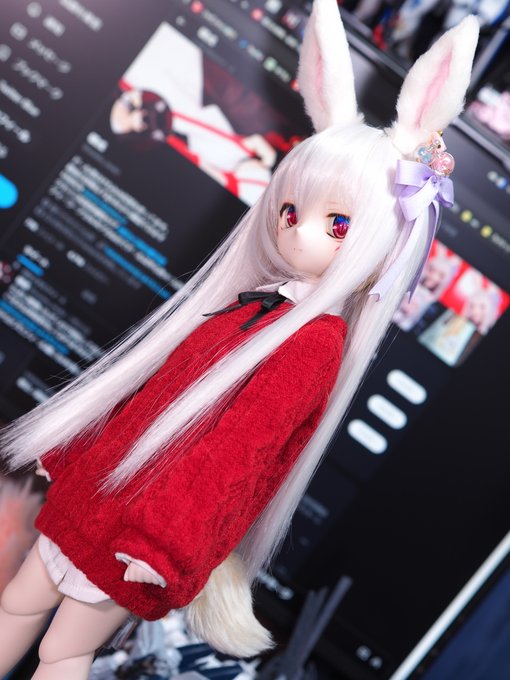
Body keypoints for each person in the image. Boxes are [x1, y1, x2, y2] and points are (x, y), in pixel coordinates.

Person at [0, 3, 479, 678]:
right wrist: (72, 452)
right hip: (98, 495)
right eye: (291, 210)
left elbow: (233, 460)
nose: (298, 231)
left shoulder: (311, 345)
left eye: (337, 224)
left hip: (135, 535)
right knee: (18, 602)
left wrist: (166, 548)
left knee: (64, 651)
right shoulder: (253, 307)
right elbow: (150, 393)